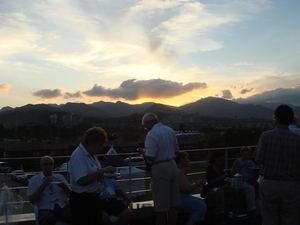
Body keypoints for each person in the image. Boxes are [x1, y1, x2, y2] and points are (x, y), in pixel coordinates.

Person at [253, 104, 300, 225]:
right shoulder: (297, 139)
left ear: (277, 119)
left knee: (269, 219)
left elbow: (258, 160)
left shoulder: (266, 136)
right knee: (290, 219)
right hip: (291, 185)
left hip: (270, 184)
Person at [137, 113, 180, 225]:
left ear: (148, 123)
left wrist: (142, 152)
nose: (146, 129)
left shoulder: (152, 134)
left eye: (146, 127)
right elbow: (176, 150)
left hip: (160, 168)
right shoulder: (170, 130)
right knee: (172, 205)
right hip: (172, 165)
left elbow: (151, 155)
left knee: (160, 206)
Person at [69, 127, 116, 225]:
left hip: (93, 198)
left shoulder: (91, 154)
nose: (101, 148)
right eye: (100, 145)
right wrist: (103, 171)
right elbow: (81, 180)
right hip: (82, 201)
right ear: (91, 142)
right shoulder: (79, 157)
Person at [204, 151, 256, 217]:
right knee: (219, 191)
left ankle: (236, 209)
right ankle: (221, 212)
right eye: (221, 161)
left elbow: (222, 181)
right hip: (212, 189)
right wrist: (220, 178)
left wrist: (227, 180)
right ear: (215, 159)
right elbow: (209, 182)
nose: (222, 163)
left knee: (235, 189)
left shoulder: (220, 168)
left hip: (220, 187)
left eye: (223, 161)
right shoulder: (210, 168)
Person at [27, 155, 72, 225]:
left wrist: (64, 187)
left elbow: (70, 196)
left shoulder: (59, 177)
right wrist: (43, 185)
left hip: (61, 206)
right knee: (46, 219)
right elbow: (32, 200)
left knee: (79, 215)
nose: (48, 166)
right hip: (46, 208)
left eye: (51, 164)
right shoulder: (35, 180)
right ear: (41, 166)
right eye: (45, 164)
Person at [174, 151, 207, 225]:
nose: (188, 160)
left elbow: (183, 185)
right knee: (201, 206)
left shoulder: (178, 171)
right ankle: (190, 222)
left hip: (181, 198)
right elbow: (187, 189)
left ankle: (193, 221)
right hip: (181, 200)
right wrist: (198, 183)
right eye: (187, 158)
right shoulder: (179, 173)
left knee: (202, 202)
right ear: (182, 160)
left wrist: (193, 183)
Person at [98, 158, 133, 225]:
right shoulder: (92, 179)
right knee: (104, 217)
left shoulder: (109, 177)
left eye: (102, 164)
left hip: (112, 201)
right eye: (99, 164)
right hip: (100, 202)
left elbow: (118, 189)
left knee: (128, 214)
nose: (101, 166)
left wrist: (125, 195)